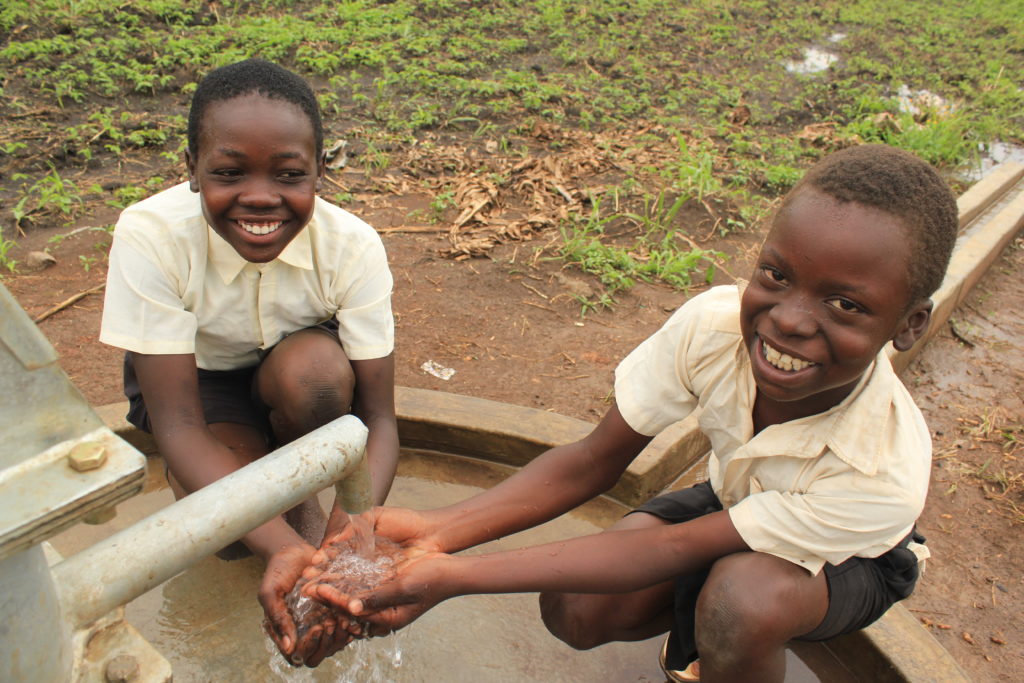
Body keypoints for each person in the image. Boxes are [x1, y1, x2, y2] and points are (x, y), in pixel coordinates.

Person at [309, 144, 958, 682]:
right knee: (574, 605)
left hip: (853, 558)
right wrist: (436, 528)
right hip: (740, 502)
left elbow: (679, 544)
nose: (788, 318)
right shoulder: (714, 328)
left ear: (910, 323)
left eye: (845, 305)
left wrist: (451, 577)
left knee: (742, 602)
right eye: (776, 275)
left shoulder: (878, 467)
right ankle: (703, 637)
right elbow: (593, 459)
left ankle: (727, 651)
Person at [99, 58, 398, 666]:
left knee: (315, 375)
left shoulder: (352, 246)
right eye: (229, 172)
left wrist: (350, 539)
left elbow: (379, 417)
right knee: (235, 538)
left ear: (319, 171)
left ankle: (297, 492)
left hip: (294, 374)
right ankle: (269, 497)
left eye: (290, 174)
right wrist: (284, 549)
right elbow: (179, 425)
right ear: (191, 171)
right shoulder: (151, 235)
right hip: (197, 387)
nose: (260, 197)